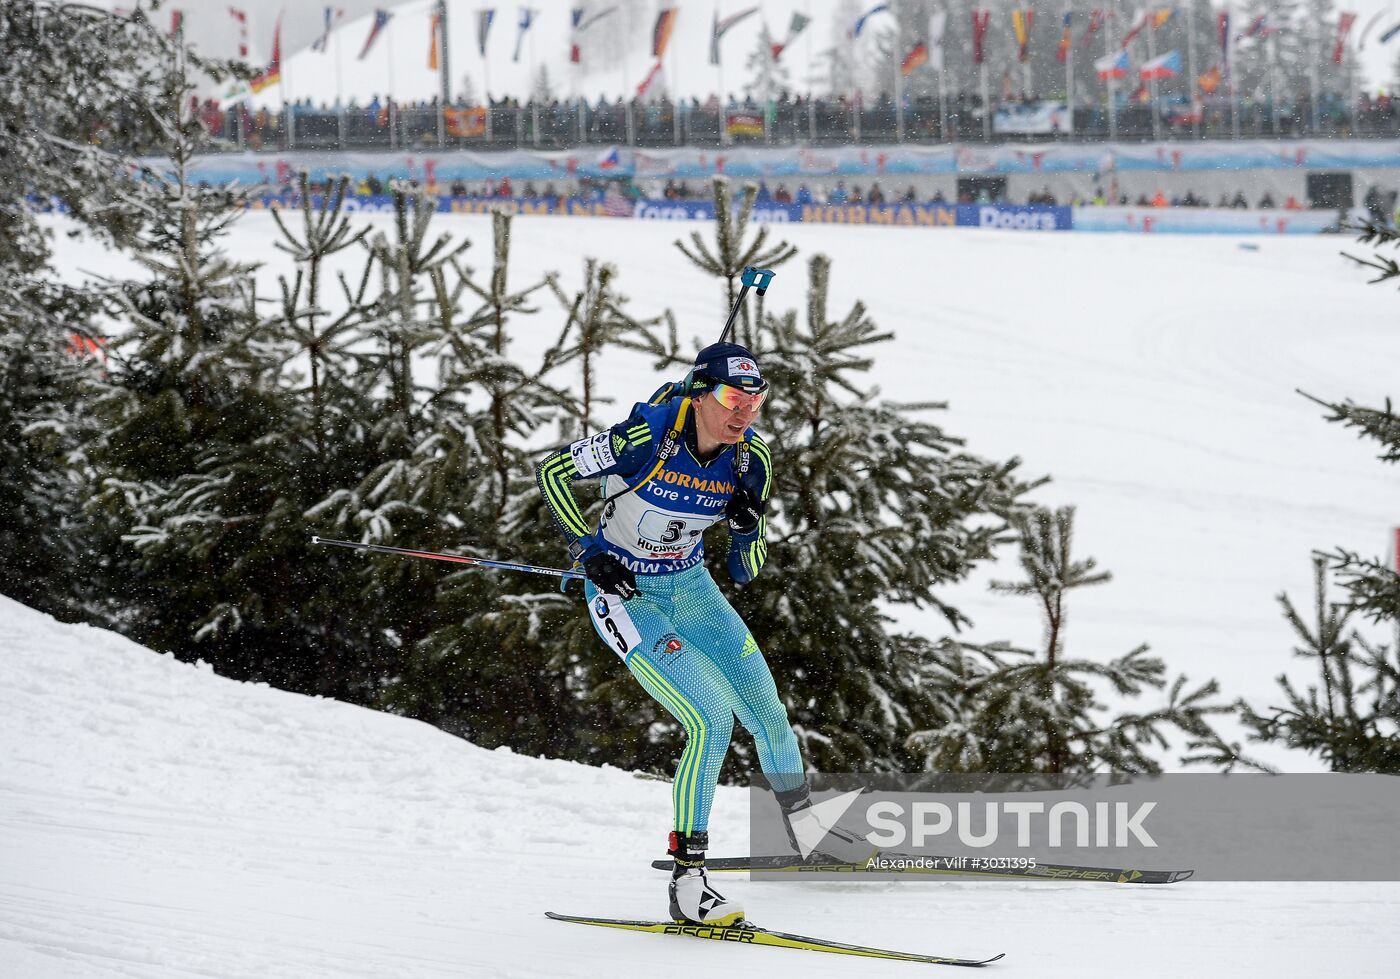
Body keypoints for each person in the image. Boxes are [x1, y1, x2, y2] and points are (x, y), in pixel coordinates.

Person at [534, 343, 861, 926]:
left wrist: (746, 525)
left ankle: (808, 833)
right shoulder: (646, 438)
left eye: (755, 401)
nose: (743, 413)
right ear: (701, 394)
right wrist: (588, 552)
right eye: (733, 398)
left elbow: (745, 569)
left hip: (692, 588)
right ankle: (689, 884)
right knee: (710, 720)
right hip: (627, 596)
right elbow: (553, 472)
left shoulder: (749, 458)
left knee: (768, 712)